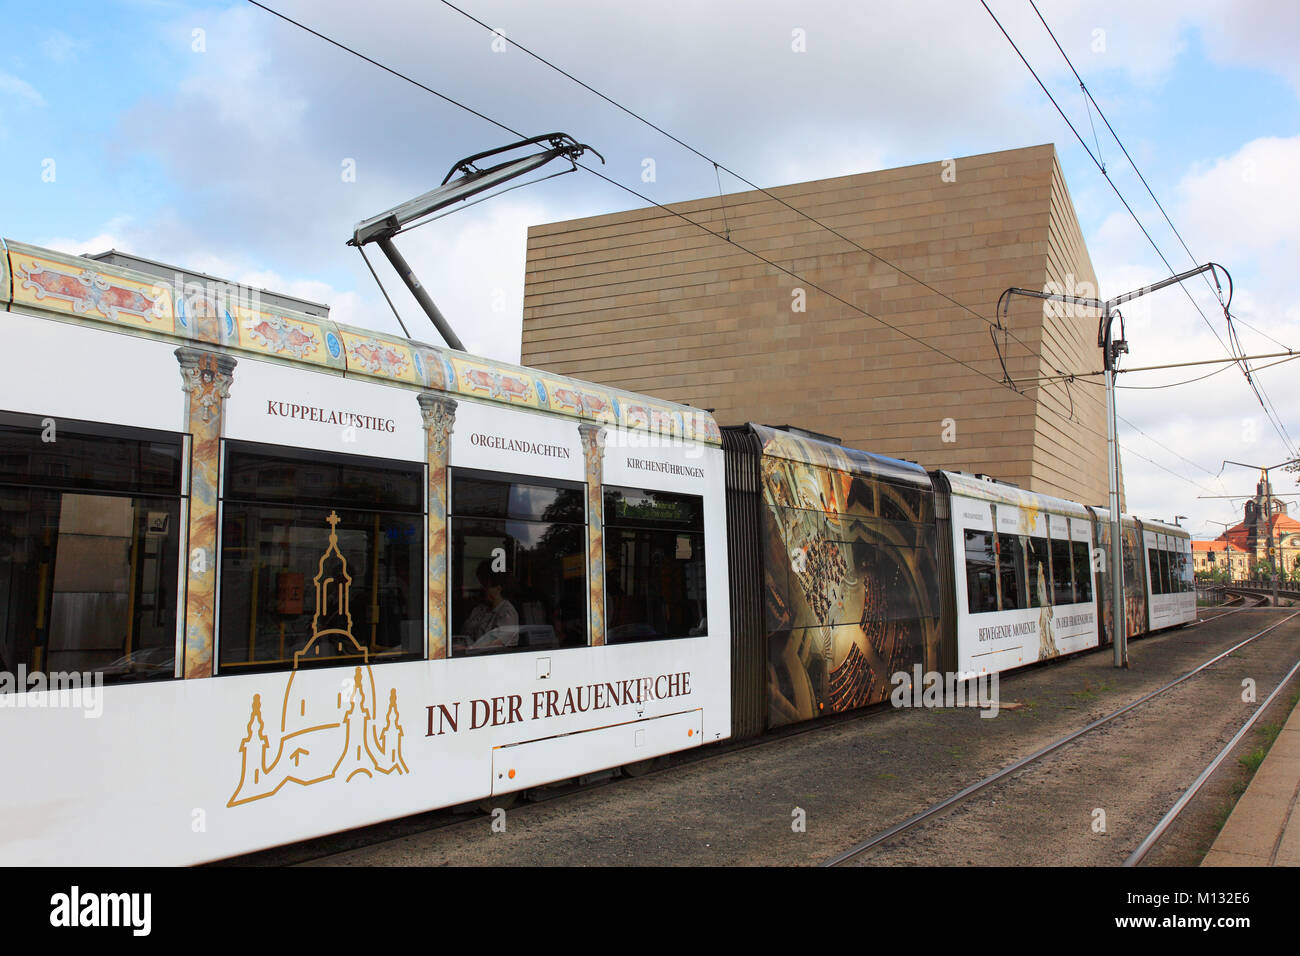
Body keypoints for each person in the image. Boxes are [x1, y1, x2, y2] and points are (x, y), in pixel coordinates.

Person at [462, 559, 519, 647]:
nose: (481, 589)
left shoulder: (507, 613)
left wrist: (468, 648)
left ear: (498, 588)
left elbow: (496, 643)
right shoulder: (479, 609)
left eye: (485, 585)